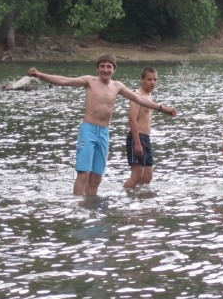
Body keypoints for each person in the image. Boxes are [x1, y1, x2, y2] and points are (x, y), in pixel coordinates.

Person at [28, 55, 176, 196]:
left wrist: (163, 108)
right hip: (88, 130)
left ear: (114, 69)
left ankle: (91, 209)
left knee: (96, 177)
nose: (106, 69)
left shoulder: (117, 86)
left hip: (104, 132)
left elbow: (139, 99)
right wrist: (40, 75)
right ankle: (78, 207)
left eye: (109, 67)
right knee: (83, 173)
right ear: (98, 68)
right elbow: (64, 80)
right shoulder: (90, 81)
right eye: (102, 66)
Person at [123, 67, 160, 190]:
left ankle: (140, 201)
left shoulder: (149, 96)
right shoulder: (137, 96)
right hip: (137, 137)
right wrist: (137, 142)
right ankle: (125, 196)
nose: (153, 82)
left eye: (155, 79)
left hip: (146, 138)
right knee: (138, 175)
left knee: (148, 177)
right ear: (142, 80)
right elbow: (132, 119)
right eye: (149, 79)